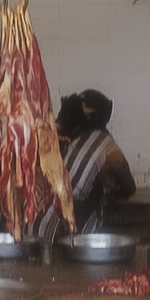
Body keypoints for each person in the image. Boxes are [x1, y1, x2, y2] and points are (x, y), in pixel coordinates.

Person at [26, 88, 136, 242]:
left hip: (30, 231)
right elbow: (129, 187)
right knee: (92, 208)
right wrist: (106, 190)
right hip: (64, 238)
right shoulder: (105, 144)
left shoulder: (55, 134)